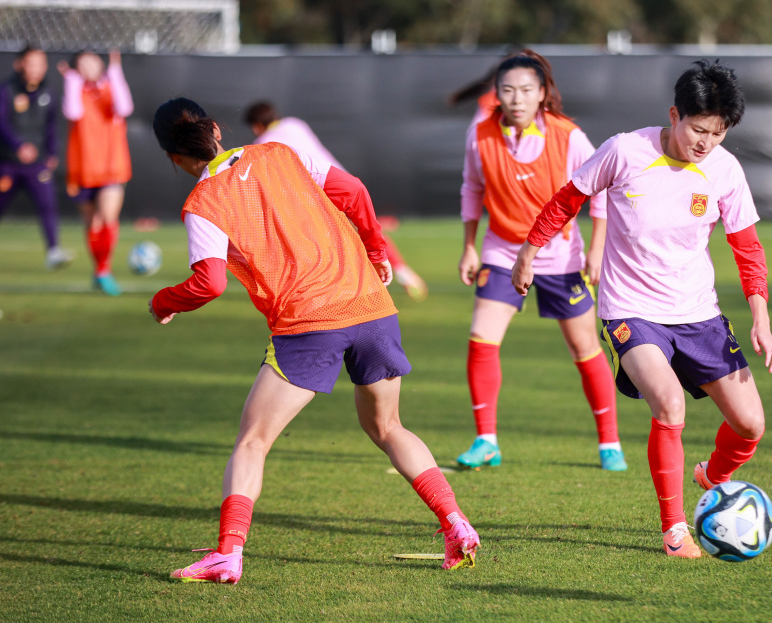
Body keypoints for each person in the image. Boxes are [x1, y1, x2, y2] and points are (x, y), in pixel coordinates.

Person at [149, 97, 480, 583]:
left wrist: (163, 303)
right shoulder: (280, 152)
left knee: (253, 441)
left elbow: (209, 283)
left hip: (309, 324)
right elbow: (353, 191)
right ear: (216, 128)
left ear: (173, 158)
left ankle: (227, 554)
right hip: (371, 307)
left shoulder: (202, 204)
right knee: (388, 428)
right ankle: (456, 524)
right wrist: (374, 248)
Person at [512, 60, 772, 558]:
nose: (705, 143)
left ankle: (710, 478)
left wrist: (760, 317)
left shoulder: (724, 170)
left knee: (751, 426)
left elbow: (748, 248)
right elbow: (567, 199)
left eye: (718, 133)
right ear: (675, 114)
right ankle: (674, 529)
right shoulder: (624, 151)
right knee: (669, 405)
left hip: (698, 313)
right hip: (631, 310)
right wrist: (530, 250)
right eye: (698, 129)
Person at [457, 50, 626, 472]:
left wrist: (596, 248)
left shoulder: (568, 135)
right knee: (482, 338)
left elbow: (600, 189)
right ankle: (486, 440)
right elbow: (471, 188)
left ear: (543, 94)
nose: (516, 98)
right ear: (496, 94)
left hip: (561, 254)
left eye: (526, 90)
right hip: (501, 251)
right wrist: (469, 246)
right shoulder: (479, 135)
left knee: (584, 346)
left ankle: (610, 444)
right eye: (508, 90)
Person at [244, 101, 428, 301]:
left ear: (256, 125)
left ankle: (345, 288)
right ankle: (403, 273)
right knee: (366, 230)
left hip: (316, 195)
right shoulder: (295, 124)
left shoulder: (262, 144)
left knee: (331, 244)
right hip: (342, 181)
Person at [59, 49, 133, 296]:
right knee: (91, 223)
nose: (89, 66)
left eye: (92, 61)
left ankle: (104, 270)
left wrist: (116, 73)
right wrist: (71, 82)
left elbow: (124, 108)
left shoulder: (111, 87)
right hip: (83, 169)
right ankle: (99, 270)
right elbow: (73, 112)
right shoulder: (75, 90)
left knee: (106, 217)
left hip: (112, 166)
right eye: (82, 63)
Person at [0, 47, 73, 269]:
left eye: (40, 63)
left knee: (48, 205)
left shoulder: (48, 92)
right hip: (8, 164)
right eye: (31, 63)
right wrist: (18, 145)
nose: (36, 69)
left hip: (37, 164)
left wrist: (51, 153)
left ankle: (53, 251)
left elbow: (52, 126)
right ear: (19, 64)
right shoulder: (7, 91)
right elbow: (2, 124)